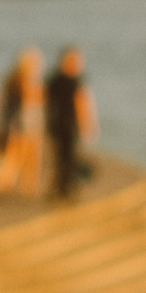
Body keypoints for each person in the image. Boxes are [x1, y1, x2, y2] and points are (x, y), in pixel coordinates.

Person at [44, 46, 98, 201]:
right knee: (69, 158)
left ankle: (61, 189)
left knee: (61, 158)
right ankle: (66, 190)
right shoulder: (75, 81)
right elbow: (80, 103)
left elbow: (44, 100)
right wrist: (87, 125)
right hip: (69, 125)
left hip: (56, 124)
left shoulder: (53, 79)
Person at [0, 47, 45, 196]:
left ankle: (11, 183)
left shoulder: (13, 79)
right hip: (25, 122)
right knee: (26, 155)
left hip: (19, 122)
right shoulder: (23, 80)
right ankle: (21, 185)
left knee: (18, 155)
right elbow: (31, 98)